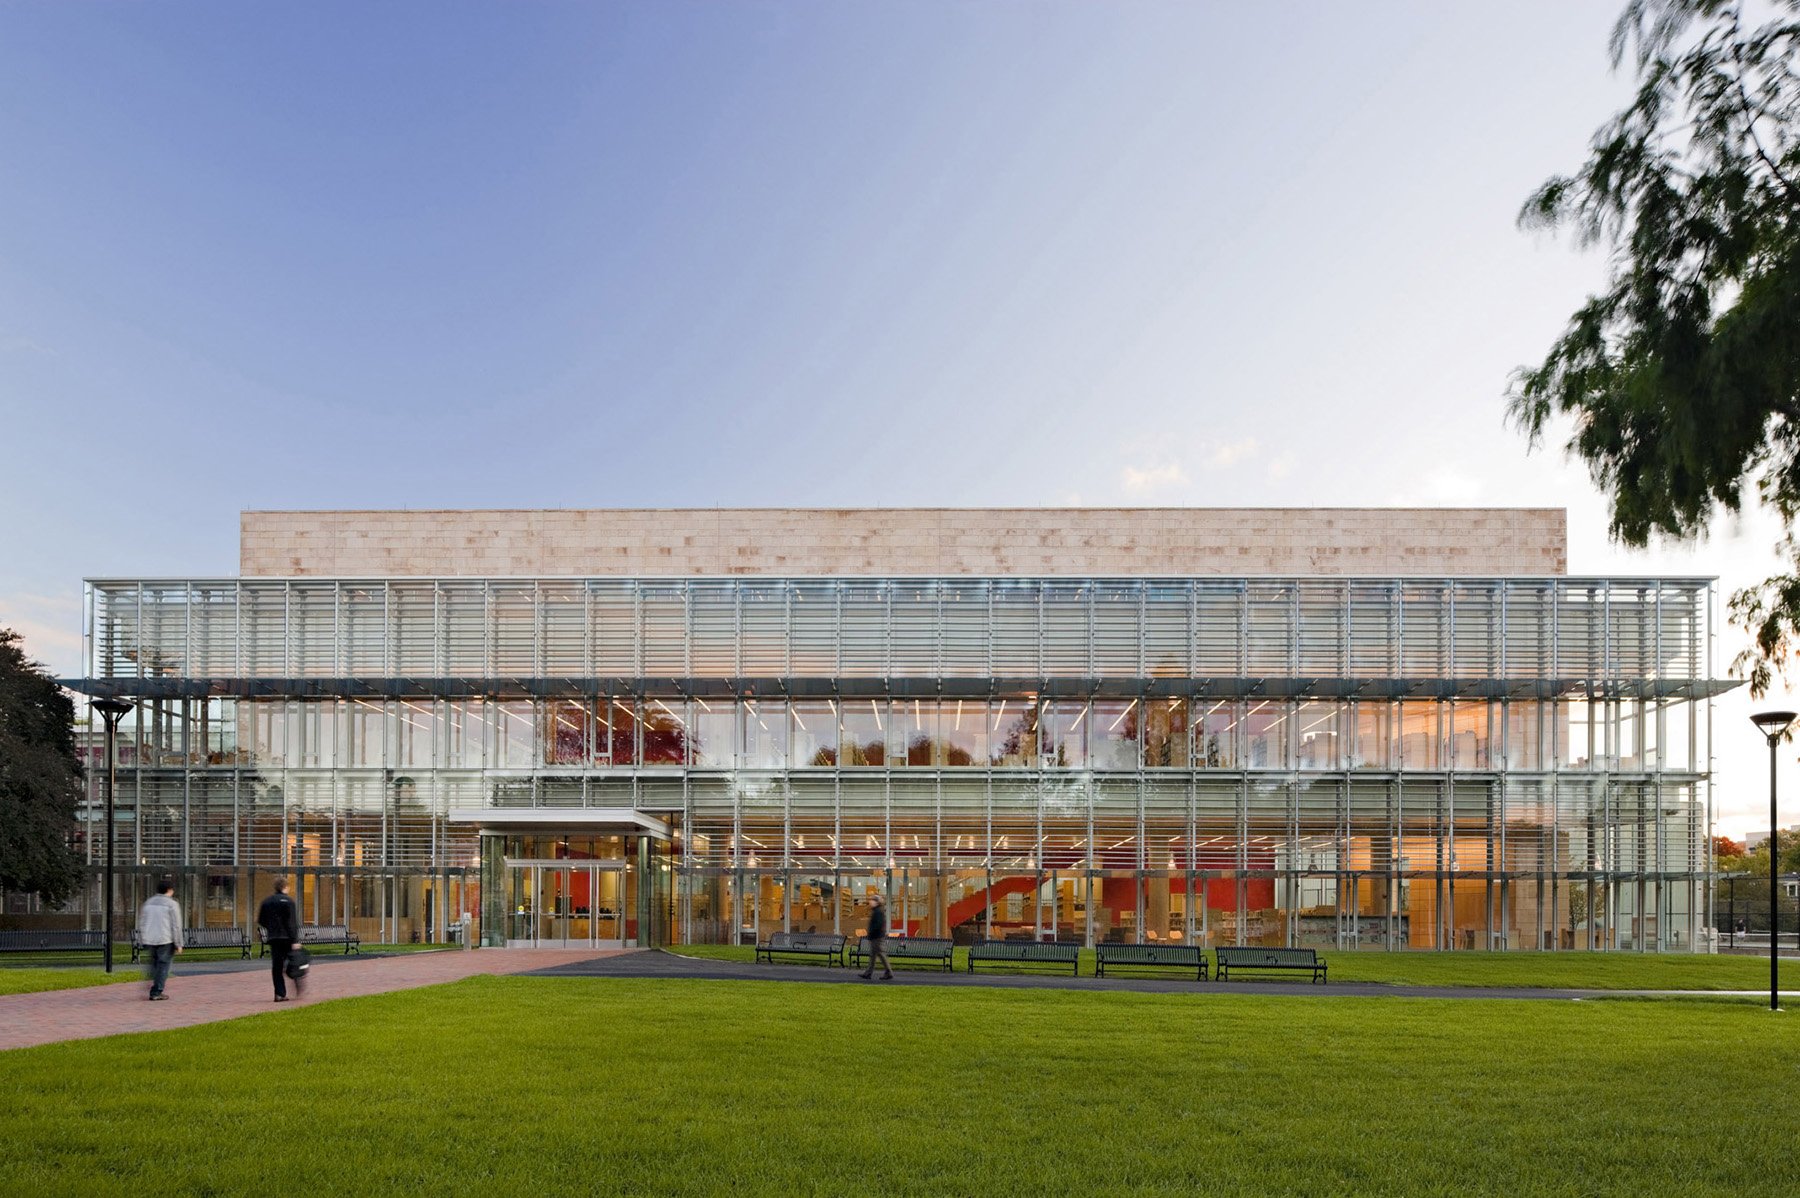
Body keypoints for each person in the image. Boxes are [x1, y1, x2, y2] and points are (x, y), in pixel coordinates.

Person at [257, 877, 302, 1002]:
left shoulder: (267, 902)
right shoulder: (289, 902)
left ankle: (279, 993)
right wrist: (295, 940)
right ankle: (296, 981)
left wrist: (271, 927)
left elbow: (261, 920)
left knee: (277, 966)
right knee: (294, 962)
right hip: (287, 938)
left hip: (274, 938)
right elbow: (291, 923)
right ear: (285, 887)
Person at [137, 879, 183, 1000]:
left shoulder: (149, 902)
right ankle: (156, 991)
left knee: (154, 963)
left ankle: (153, 982)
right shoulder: (172, 904)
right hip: (165, 939)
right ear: (169, 890)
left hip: (150, 938)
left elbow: (142, 921)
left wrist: (143, 938)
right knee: (163, 965)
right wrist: (179, 943)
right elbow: (176, 925)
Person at [859, 893, 893, 981]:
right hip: (876, 936)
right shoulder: (876, 911)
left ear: (877, 902)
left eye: (872, 900)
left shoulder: (878, 912)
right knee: (874, 955)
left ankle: (888, 972)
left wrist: (871, 932)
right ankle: (868, 973)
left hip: (877, 936)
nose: (870, 902)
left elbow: (878, 924)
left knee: (880, 954)